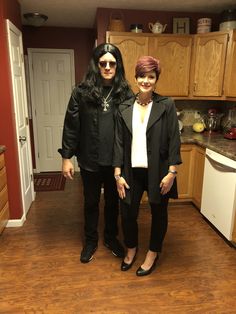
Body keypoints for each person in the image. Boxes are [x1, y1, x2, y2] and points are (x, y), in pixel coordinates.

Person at [58, 43, 133, 263]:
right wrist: (66, 158)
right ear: (96, 64)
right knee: (91, 202)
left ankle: (110, 237)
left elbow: (132, 127)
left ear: (118, 65)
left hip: (115, 161)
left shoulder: (126, 92)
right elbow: (71, 125)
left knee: (113, 203)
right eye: (103, 63)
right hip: (90, 159)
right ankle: (90, 241)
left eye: (112, 63)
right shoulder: (81, 92)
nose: (108, 67)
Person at [113, 56, 182, 276]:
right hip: (130, 172)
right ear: (135, 77)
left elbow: (174, 139)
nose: (146, 80)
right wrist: (117, 174)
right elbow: (118, 142)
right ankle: (131, 249)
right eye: (142, 76)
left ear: (156, 79)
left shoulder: (166, 105)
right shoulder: (124, 107)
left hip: (159, 172)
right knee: (127, 214)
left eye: (151, 76)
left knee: (159, 214)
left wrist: (172, 172)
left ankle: (153, 253)